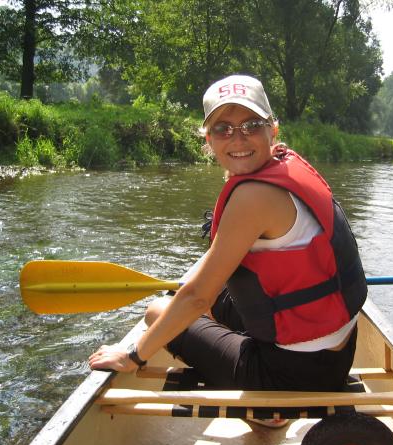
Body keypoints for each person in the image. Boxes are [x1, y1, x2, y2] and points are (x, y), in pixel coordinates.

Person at [89, 75, 367, 424]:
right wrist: (193, 290)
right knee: (194, 297)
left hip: (291, 377)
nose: (238, 138)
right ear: (209, 139)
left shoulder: (253, 197)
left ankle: (266, 412)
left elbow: (196, 299)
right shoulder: (286, 166)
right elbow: (215, 271)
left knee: (158, 311)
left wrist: (133, 356)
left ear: (272, 129)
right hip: (338, 354)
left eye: (251, 125)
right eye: (223, 129)